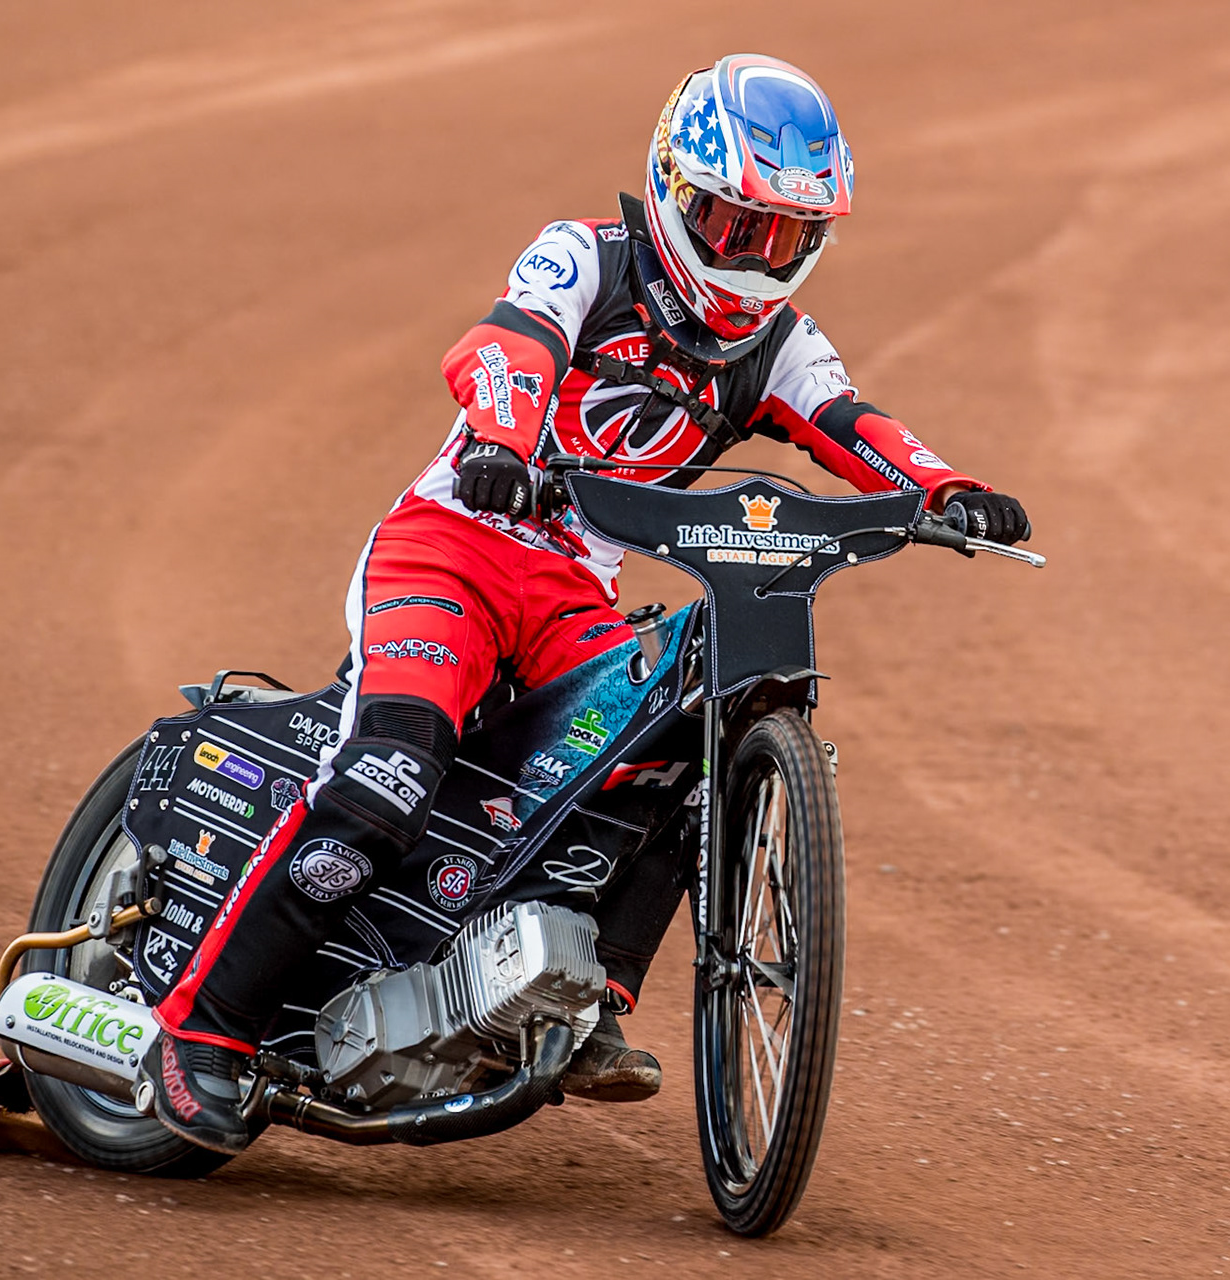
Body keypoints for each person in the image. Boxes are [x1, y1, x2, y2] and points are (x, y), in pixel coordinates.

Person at [139, 53, 1031, 1154]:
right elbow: (507, 343)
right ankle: (201, 1029)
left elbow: (851, 422)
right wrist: (503, 442)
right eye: (735, 223)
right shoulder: (587, 256)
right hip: (452, 553)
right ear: (673, 189)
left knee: (685, 729)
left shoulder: (779, 345)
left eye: (786, 236)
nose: (756, 259)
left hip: (571, 597)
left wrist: (944, 489)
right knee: (389, 775)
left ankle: (594, 992)